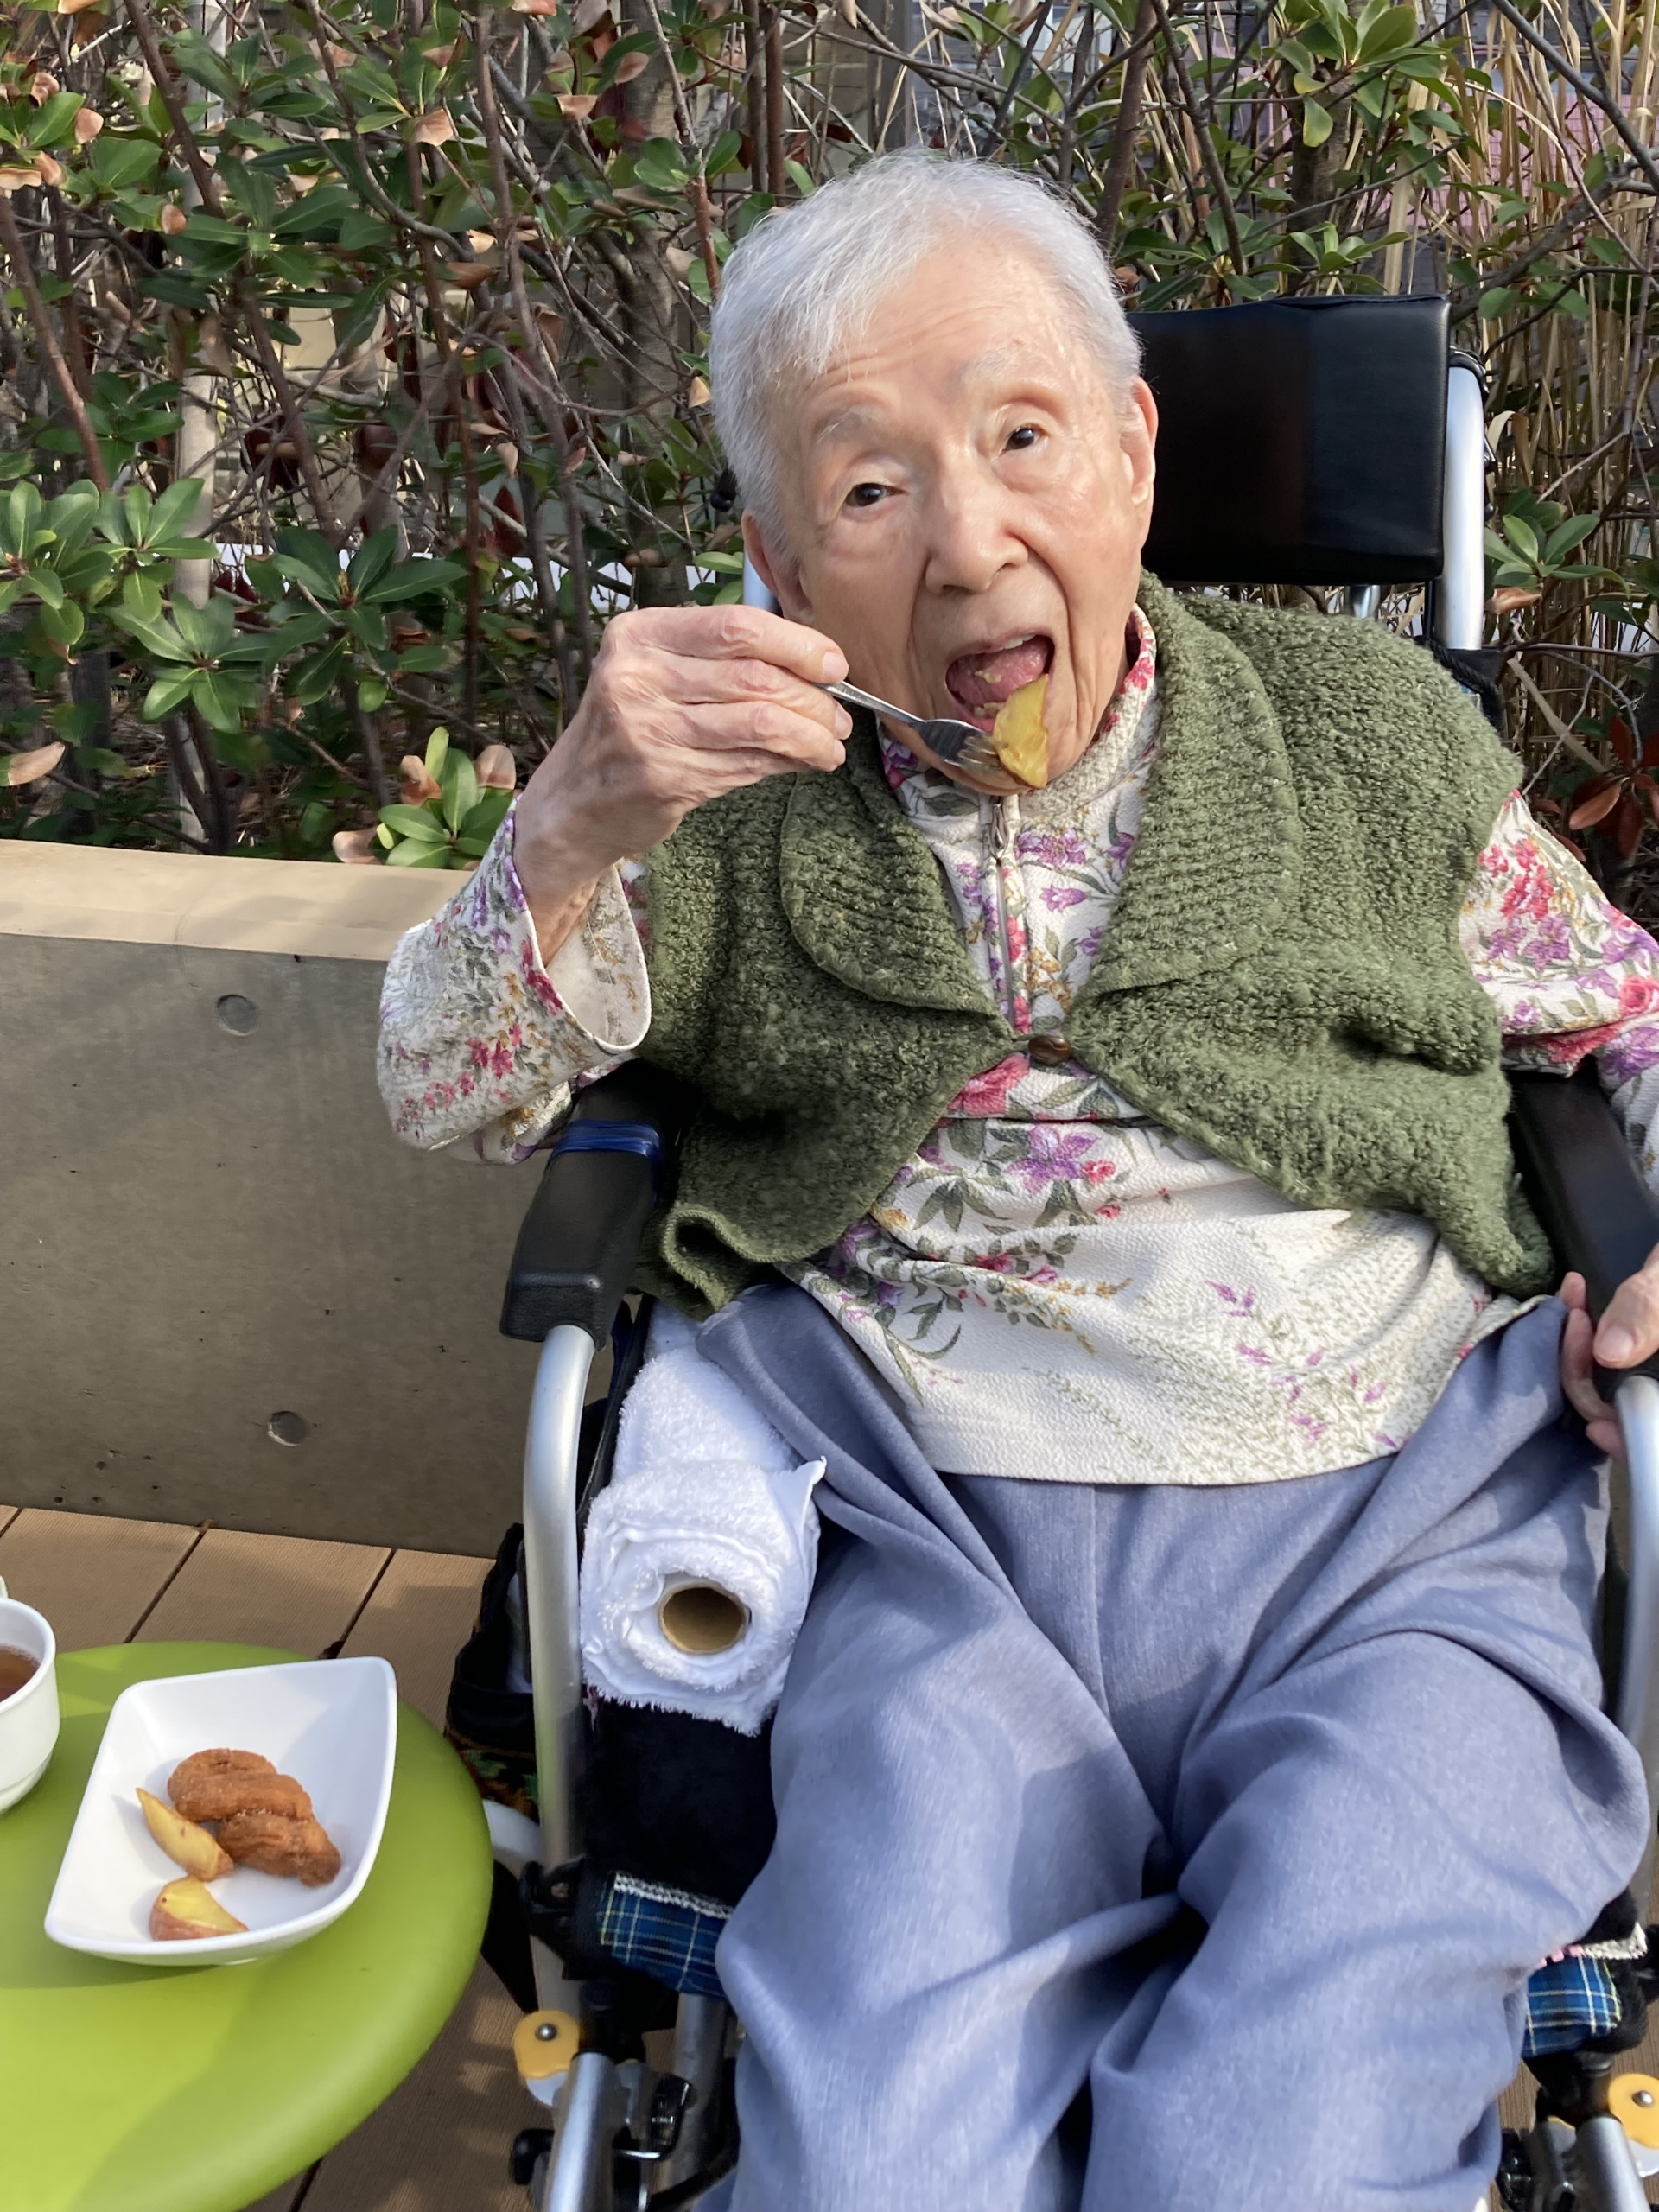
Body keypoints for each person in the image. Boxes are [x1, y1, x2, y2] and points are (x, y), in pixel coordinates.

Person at [378, 152, 1659, 2210]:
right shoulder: (719, 824)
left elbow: (1624, 1014)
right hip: (927, 1550)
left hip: (1400, 1536)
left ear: (1135, 455)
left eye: (1026, 438)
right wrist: (567, 827)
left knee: (1285, 2145)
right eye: (871, 486)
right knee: (882, 2152)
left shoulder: (1364, 737)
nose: (970, 542)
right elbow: (444, 1085)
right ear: (781, 560)